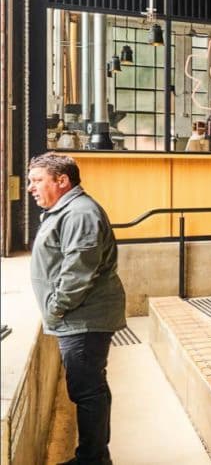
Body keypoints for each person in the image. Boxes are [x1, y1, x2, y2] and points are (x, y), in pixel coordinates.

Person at [27, 153, 126, 465]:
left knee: (88, 392)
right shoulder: (66, 211)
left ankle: (93, 459)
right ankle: (93, 456)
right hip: (77, 318)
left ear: (62, 181)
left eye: (37, 180)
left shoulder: (80, 213)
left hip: (83, 319)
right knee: (89, 388)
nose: (31, 187)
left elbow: (77, 273)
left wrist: (55, 309)